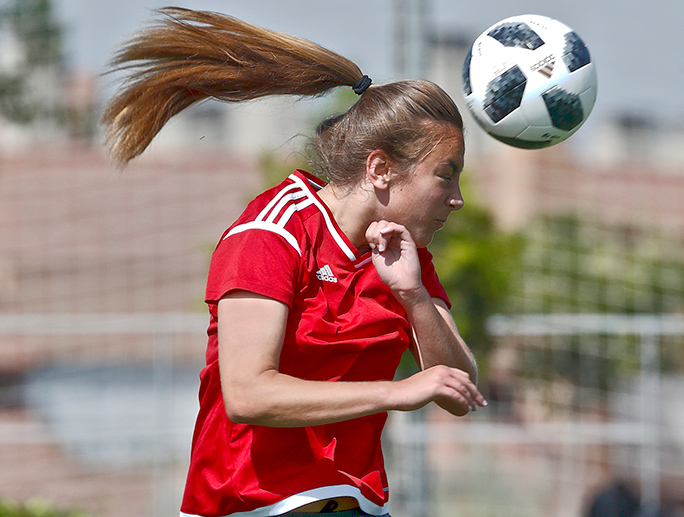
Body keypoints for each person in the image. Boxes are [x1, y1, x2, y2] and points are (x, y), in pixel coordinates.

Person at [102, 7, 486, 517]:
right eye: (445, 174)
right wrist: (395, 392)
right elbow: (248, 394)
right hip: (252, 506)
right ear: (380, 169)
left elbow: (458, 390)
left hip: (356, 505)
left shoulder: (405, 258)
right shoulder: (272, 232)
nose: (456, 197)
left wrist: (414, 297)